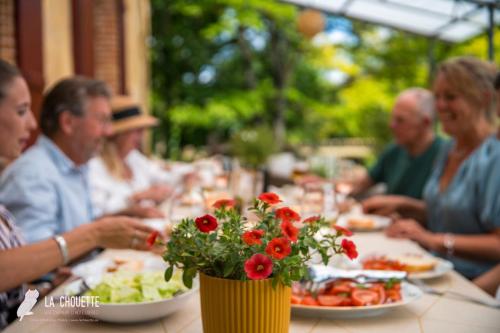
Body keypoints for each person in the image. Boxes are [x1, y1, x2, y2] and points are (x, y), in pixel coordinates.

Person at [0, 59, 157, 329]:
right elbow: (31, 268)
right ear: (68, 122)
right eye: (22, 111)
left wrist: (46, 292)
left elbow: (23, 289)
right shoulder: (34, 173)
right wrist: (96, 233)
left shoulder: (75, 166)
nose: (109, 132)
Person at [374, 57, 500, 280]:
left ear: (484, 98)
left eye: (451, 97)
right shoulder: (450, 148)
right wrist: (404, 206)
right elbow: (449, 212)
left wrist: (433, 240)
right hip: (432, 272)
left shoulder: (494, 155)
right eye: (438, 97)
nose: (440, 106)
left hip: (473, 284)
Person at [348, 88, 442, 200]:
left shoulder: (445, 155)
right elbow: (362, 184)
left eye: (400, 120)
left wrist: (400, 205)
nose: (391, 125)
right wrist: (328, 184)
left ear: (425, 123)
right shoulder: (395, 149)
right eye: (392, 118)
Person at [89, 96, 175, 216]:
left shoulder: (133, 157)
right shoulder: (95, 165)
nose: (141, 136)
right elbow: (97, 212)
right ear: (118, 134)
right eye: (136, 131)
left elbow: (163, 176)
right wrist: (137, 197)